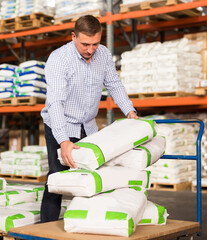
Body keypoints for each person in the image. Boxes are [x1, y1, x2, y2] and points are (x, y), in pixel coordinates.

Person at [40, 15, 138, 223]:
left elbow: (114, 85)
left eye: (95, 44)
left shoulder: (103, 54)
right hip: (61, 124)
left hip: (88, 125)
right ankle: (45, 228)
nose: (91, 50)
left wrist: (130, 112)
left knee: (93, 176)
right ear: (73, 36)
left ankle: (89, 224)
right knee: (57, 178)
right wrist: (64, 141)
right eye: (85, 44)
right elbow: (55, 103)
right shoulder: (59, 59)